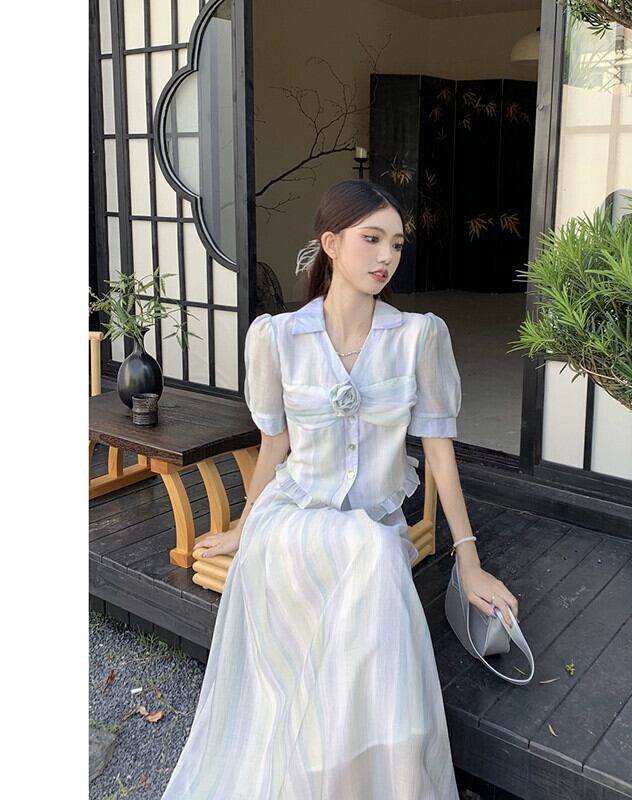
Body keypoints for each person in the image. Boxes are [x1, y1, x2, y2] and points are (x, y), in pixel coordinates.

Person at [160, 180, 519, 799]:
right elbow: (275, 445)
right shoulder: (277, 337)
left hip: (370, 523)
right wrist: (245, 526)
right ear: (330, 244)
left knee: (374, 553)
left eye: (396, 244)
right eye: (371, 239)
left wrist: (469, 560)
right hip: (294, 516)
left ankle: (352, 775)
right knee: (367, 564)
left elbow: (439, 449)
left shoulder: (418, 337)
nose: (387, 257)